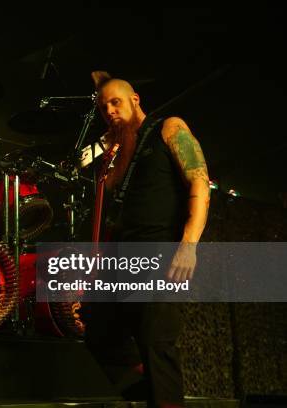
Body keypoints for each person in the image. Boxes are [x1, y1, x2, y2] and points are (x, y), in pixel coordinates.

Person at [83, 72, 210, 408]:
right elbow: (109, 200)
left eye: (115, 102)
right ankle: (144, 391)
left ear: (134, 100)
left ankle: (160, 394)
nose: (109, 110)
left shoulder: (168, 127)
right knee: (95, 332)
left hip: (162, 255)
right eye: (103, 107)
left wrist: (189, 245)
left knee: (157, 346)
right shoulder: (119, 151)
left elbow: (199, 183)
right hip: (122, 259)